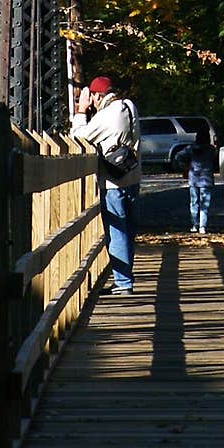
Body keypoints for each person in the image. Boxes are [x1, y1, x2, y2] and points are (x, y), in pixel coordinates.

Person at [71, 74, 141, 296]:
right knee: (127, 230)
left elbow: (77, 137)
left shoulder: (106, 116)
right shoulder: (129, 106)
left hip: (113, 182)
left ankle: (123, 282)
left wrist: (82, 111)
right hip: (133, 177)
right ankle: (125, 278)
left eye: (90, 97)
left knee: (116, 232)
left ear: (96, 95)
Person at [184, 122, 217, 234]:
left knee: (194, 202)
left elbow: (179, 156)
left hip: (193, 178)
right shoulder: (210, 149)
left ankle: (194, 224)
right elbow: (215, 161)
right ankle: (203, 226)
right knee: (205, 204)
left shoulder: (191, 148)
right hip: (206, 179)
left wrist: (185, 165)